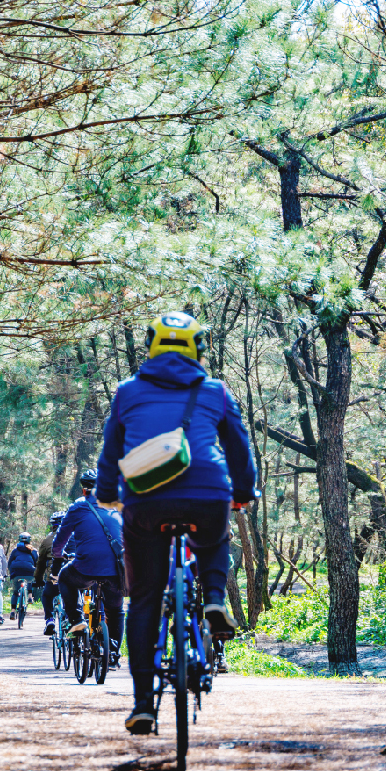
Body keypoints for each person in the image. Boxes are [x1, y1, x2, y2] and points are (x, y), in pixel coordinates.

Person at [94, 311, 257, 736]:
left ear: (151, 346)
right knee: (213, 539)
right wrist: (244, 491)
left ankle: (143, 704)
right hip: (208, 492)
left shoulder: (128, 392)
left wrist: (106, 492)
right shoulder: (216, 391)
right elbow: (238, 449)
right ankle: (214, 599)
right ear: (198, 349)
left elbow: (111, 452)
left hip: (145, 500)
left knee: (145, 599)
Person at [54, 469, 125, 662]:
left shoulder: (78, 507)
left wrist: (58, 554)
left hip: (86, 568)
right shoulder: (118, 507)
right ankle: (114, 654)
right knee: (116, 611)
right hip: (116, 571)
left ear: (84, 490)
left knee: (64, 577)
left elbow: (61, 537)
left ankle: (77, 621)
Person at [35, 512, 65, 635]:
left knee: (47, 595)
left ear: (52, 525)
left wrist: (38, 579)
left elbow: (40, 563)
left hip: (54, 578)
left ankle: (49, 619)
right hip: (74, 576)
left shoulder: (47, 540)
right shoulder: (75, 537)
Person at [7, 532, 38, 619]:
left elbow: (9, 563)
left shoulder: (15, 550)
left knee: (15, 592)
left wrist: (10, 573)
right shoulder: (33, 550)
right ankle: (30, 597)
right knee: (30, 577)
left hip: (16, 572)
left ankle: (13, 611)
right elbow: (37, 563)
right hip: (29, 571)